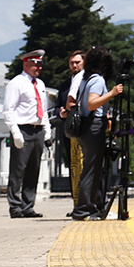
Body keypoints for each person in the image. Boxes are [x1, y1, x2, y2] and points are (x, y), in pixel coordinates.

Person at [71, 46, 125, 220]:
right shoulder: (97, 80)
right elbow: (92, 103)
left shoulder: (87, 79)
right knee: (92, 169)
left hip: (88, 127)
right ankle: (84, 208)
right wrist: (112, 93)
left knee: (91, 167)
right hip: (93, 126)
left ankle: (90, 206)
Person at [2, 49, 49, 218]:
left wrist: (47, 130)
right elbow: (8, 110)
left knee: (33, 169)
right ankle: (15, 206)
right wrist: (15, 132)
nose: (38, 68)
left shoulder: (40, 84)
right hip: (22, 128)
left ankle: (28, 205)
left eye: (40, 64)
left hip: (37, 129)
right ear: (26, 63)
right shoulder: (17, 83)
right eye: (35, 64)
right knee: (18, 170)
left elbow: (43, 109)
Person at [56, 50, 85, 215]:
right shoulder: (65, 86)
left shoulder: (87, 81)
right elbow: (59, 106)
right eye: (72, 63)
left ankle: (85, 202)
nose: (74, 65)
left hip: (84, 129)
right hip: (69, 130)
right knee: (73, 167)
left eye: (77, 62)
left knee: (84, 166)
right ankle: (75, 203)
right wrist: (62, 113)